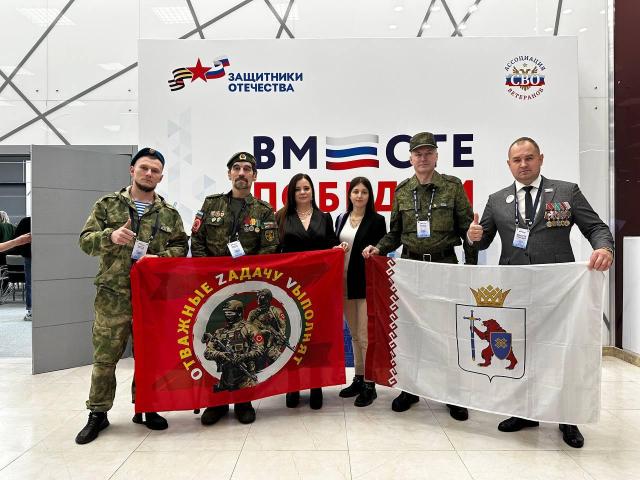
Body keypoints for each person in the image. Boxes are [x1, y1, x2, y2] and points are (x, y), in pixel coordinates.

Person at [466, 136, 614, 448]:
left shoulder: (566, 191)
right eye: (517, 160)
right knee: (523, 351)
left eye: (529, 158)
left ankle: (567, 417)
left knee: (562, 352)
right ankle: (525, 412)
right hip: (514, 290)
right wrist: (474, 236)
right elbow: (483, 242)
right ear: (509, 165)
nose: (523, 164)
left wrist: (604, 248)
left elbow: (596, 228)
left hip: (558, 290)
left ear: (540, 159)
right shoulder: (497, 199)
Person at [75, 147, 188, 445]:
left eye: (154, 170)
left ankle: (146, 407)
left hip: (152, 298)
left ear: (161, 177)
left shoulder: (169, 213)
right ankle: (98, 413)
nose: (149, 174)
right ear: (132, 170)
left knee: (149, 356)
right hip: (112, 296)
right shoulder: (107, 205)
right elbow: (84, 242)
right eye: (144, 168)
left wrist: (159, 259)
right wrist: (110, 237)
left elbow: (180, 247)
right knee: (105, 358)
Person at [362, 131, 476, 421]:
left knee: (447, 333)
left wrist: (470, 269)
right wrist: (379, 248)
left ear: (436, 156)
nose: (423, 158)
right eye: (418, 153)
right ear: (410, 158)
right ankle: (410, 389)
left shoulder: (452, 186)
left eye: (428, 153)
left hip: (444, 268)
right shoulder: (402, 190)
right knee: (411, 333)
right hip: (411, 269)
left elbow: (467, 231)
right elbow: (395, 233)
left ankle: (452, 394)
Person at [190, 151, 279, 426]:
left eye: (247, 169)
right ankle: (215, 402)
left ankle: (243, 400)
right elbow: (197, 240)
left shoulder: (264, 210)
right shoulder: (211, 203)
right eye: (237, 168)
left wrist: (245, 276)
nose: (242, 173)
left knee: (241, 342)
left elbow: (269, 248)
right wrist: (210, 272)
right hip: (211, 288)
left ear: (254, 176)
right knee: (216, 341)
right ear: (229, 173)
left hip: (244, 288)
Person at [276, 173, 345, 410]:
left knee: (316, 336)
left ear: (313, 191)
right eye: (298, 189)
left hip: (318, 287)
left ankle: (316, 386)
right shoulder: (281, 216)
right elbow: (274, 250)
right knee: (292, 334)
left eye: (306, 188)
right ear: (291, 193)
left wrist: (338, 248)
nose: (303, 192)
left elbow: (331, 243)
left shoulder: (324, 217)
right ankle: (292, 386)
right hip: (290, 287)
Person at [335, 177, 387, 407]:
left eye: (364, 192)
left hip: (366, 284)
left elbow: (381, 251)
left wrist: (374, 250)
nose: (359, 196)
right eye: (355, 191)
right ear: (349, 195)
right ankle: (358, 377)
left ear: (369, 196)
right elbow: (334, 245)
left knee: (365, 336)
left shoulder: (377, 220)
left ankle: (369, 384)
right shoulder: (341, 218)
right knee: (354, 334)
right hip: (344, 282)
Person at [202, 299, 264, 392]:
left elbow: (260, 349)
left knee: (246, 400)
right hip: (226, 378)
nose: (227, 315)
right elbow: (207, 353)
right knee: (218, 399)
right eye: (226, 313)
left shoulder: (250, 328)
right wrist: (220, 354)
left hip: (245, 378)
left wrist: (243, 356)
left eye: (230, 313)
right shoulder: (220, 332)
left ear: (239, 313)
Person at [246, 288, 289, 370]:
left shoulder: (275, 311)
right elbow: (248, 329)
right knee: (259, 370)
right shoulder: (253, 313)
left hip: (272, 345)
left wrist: (281, 337)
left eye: (261, 297)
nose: (259, 299)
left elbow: (282, 326)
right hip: (258, 346)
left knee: (278, 367)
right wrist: (261, 332)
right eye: (258, 297)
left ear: (268, 299)